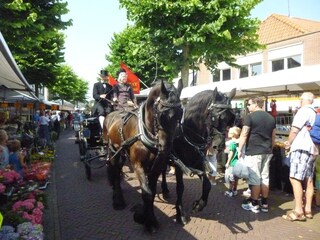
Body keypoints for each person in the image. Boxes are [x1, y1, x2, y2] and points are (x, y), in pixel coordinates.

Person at [282, 92, 318, 221]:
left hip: (301, 148)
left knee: (294, 178)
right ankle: (308, 209)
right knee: (308, 180)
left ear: (302, 100)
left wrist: (288, 143)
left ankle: (298, 211)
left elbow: (294, 129)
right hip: (313, 149)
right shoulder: (315, 113)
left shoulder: (303, 111)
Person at [239, 97, 276, 213]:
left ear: (255, 104)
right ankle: (264, 203)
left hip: (255, 151)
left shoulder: (250, 117)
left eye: (249, 104)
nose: (248, 107)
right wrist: (271, 148)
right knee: (265, 177)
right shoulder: (271, 118)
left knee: (255, 178)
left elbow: (244, 134)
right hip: (267, 151)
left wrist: (240, 149)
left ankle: (254, 203)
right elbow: (273, 136)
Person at [224, 126, 241, 197]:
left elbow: (230, 154)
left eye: (230, 132)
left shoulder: (232, 143)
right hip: (238, 162)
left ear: (233, 134)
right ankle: (235, 190)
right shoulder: (239, 142)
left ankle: (230, 191)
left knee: (231, 178)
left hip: (232, 163)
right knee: (236, 177)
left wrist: (227, 162)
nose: (228, 133)